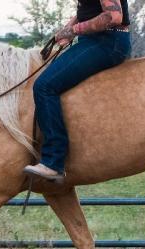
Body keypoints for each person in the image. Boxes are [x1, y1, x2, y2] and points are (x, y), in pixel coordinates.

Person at [23, 0, 131, 183]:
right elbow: (89, 10)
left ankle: (53, 161)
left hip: (107, 41)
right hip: (96, 39)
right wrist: (68, 28)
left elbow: (113, 16)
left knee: (44, 86)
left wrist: (74, 30)